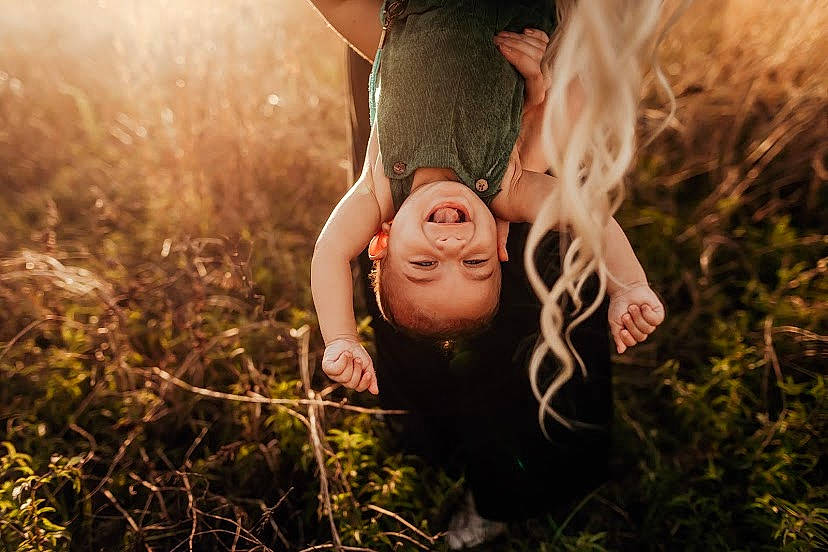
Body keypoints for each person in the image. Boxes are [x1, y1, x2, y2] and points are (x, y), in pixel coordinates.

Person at [310, 0, 665, 398]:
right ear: (499, 248)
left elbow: (331, 252)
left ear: (382, 241)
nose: (451, 246)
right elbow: (586, 215)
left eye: (425, 264)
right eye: (474, 262)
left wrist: (341, 336)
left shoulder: (377, 193)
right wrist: (628, 285)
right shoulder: (507, 188)